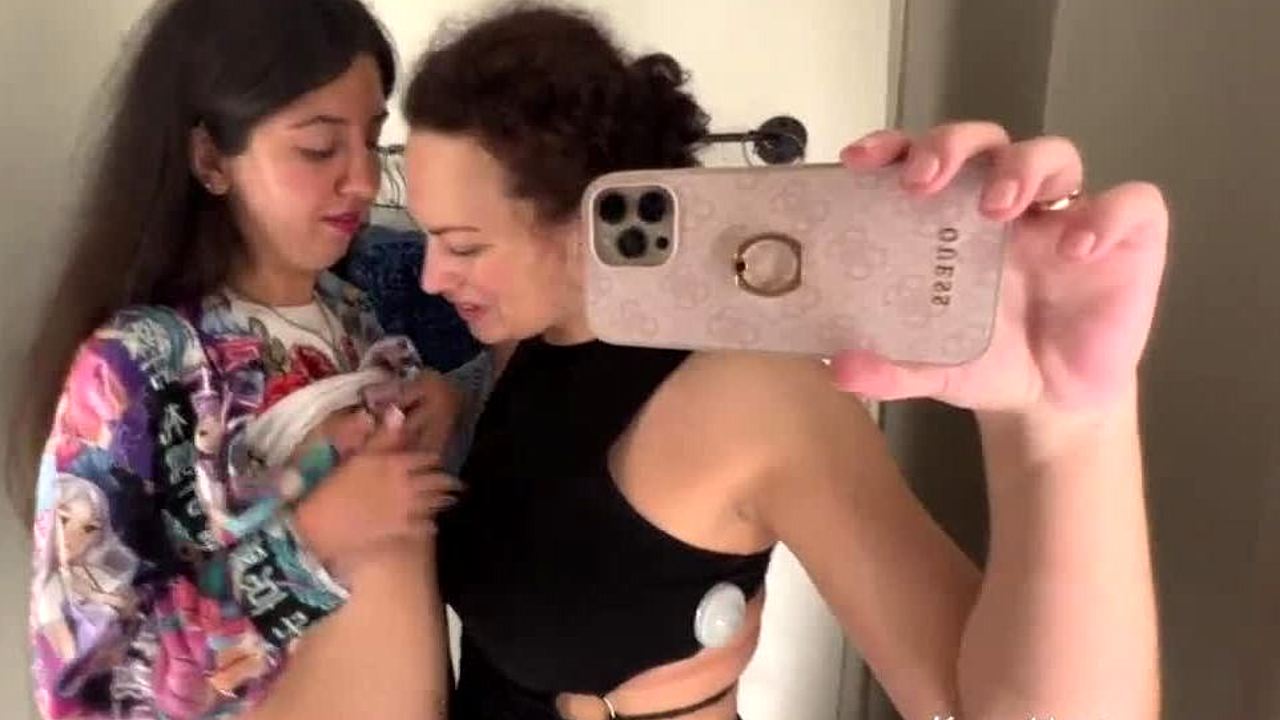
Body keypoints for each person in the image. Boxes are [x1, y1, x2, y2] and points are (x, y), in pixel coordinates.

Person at [401, 5, 1166, 720]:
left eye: (463, 245)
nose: (432, 277)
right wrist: (452, 408)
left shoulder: (755, 393)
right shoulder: (520, 347)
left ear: (585, 214)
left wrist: (1066, 425)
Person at [10, 1, 474, 717]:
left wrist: (438, 407)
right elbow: (92, 690)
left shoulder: (357, 321)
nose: (363, 180)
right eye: (319, 148)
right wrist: (311, 540)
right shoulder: (135, 366)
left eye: (372, 139)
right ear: (209, 158)